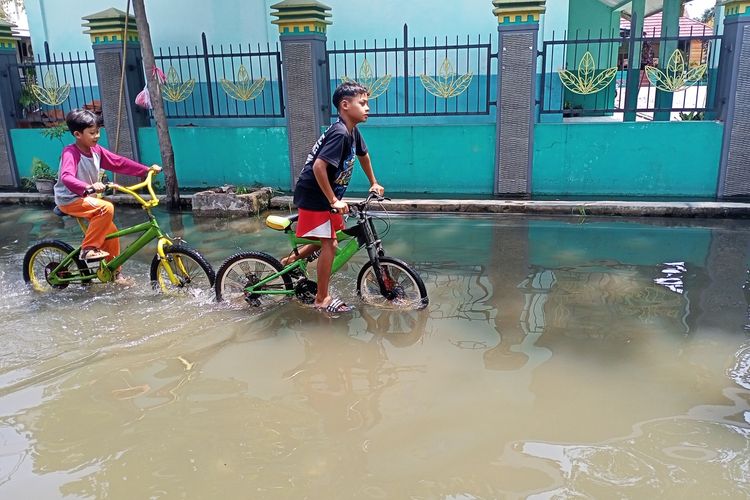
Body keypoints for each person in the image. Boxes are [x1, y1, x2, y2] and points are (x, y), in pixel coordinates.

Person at [283, 82, 384, 313]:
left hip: (327, 196)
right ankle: (322, 298)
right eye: (363, 103)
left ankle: (288, 264)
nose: (368, 108)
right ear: (345, 105)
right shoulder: (339, 132)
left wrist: (374, 182)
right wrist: (333, 201)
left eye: (367, 103)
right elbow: (319, 167)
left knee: (330, 236)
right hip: (315, 195)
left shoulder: (352, 131)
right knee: (330, 243)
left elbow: (364, 156)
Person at [53, 108, 161, 282]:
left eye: (98, 132)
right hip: (70, 199)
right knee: (106, 208)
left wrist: (146, 169)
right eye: (92, 133)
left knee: (111, 233)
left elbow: (118, 163)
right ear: (77, 134)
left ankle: (114, 273)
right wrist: (88, 187)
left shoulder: (96, 151)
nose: (96, 136)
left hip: (88, 198)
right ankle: (88, 249)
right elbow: (66, 177)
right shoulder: (70, 152)